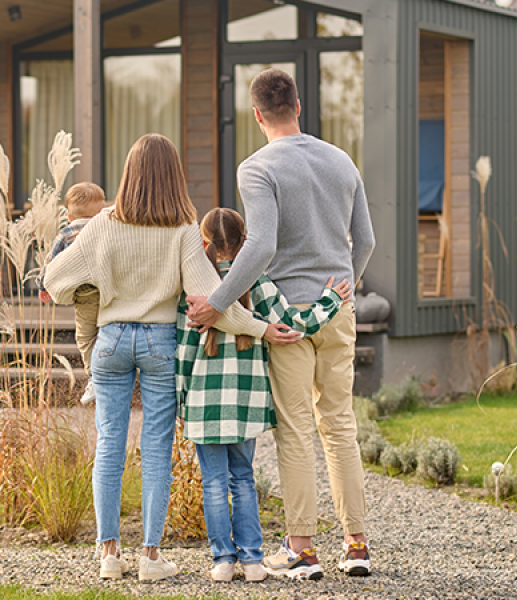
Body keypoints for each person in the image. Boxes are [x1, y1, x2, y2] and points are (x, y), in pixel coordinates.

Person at [44, 134, 299, 582]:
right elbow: (212, 303)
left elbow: (54, 279)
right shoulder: (183, 230)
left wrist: (93, 290)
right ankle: (150, 557)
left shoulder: (102, 224)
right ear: (174, 176)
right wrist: (261, 328)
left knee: (109, 445)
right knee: (157, 449)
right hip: (161, 343)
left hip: (110, 340)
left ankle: (108, 554)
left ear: (128, 174)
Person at [186, 69, 376, 580]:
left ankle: (303, 551)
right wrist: (343, 293)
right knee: (339, 426)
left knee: (295, 432)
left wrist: (217, 302)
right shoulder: (341, 160)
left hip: (286, 318)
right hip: (337, 309)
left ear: (255, 115)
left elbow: (262, 244)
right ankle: (356, 545)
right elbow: (368, 240)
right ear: (298, 104)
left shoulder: (257, 167)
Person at [177, 207, 350, 583]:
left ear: (203, 243)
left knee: (213, 483)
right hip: (247, 402)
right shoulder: (257, 281)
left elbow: (183, 350)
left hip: (204, 405)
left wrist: (182, 400)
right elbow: (293, 325)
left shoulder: (194, 286)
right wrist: (330, 300)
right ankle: (254, 561)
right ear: (246, 244)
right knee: (243, 479)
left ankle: (224, 561)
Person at [37, 182, 106, 405]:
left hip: (84, 297)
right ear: (100, 211)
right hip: (109, 294)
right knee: (106, 333)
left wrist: (42, 285)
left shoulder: (66, 234)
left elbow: (50, 262)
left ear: (69, 216)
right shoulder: (106, 229)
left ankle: (94, 376)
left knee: (86, 337)